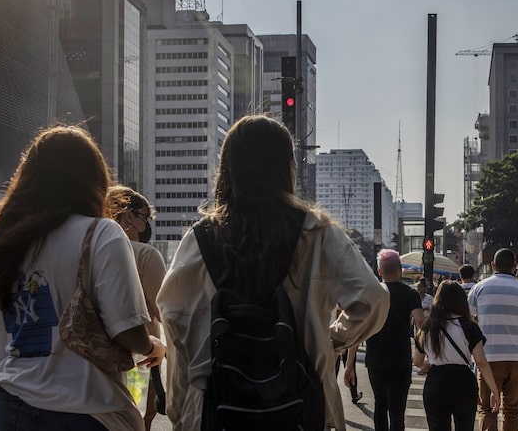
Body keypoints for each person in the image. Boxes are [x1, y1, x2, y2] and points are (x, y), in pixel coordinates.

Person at [156, 115, 390, 431]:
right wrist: (330, 340)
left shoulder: (200, 239)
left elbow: (174, 324)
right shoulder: (316, 232)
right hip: (298, 405)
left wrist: (178, 409)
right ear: (287, 169)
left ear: (227, 171)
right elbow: (373, 298)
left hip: (214, 407)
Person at [0, 126, 166, 431]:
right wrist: (153, 346)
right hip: (86, 408)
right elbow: (126, 331)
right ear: (94, 180)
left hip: (10, 406)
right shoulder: (101, 233)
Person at [104, 186, 167, 430]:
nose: (147, 225)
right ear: (128, 215)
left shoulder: (88, 249)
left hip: (94, 362)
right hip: (139, 361)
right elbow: (166, 313)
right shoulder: (145, 255)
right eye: (144, 217)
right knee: (137, 422)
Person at [344, 249, 425, 431]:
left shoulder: (370, 294)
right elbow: (420, 321)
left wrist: (350, 365)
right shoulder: (410, 294)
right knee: (397, 412)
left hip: (376, 361)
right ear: (401, 270)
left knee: (380, 405)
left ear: (379, 272)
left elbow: (359, 330)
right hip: (401, 361)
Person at [414, 281, 500, 430]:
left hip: (437, 381)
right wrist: (494, 390)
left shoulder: (428, 327)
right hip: (463, 381)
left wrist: (426, 366)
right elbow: (481, 361)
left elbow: (417, 361)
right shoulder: (469, 326)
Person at [467, 249, 518, 431]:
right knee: (512, 411)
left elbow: (469, 320)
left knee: (487, 409)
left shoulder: (479, 289)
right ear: (515, 267)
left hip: (489, 358)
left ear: (493, 265)